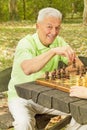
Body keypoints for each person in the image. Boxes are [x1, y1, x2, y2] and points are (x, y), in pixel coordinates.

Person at [8, 7, 75, 130]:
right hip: (21, 98)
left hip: (48, 97)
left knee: (80, 114)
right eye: (49, 27)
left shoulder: (59, 41)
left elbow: (78, 66)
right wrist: (53, 51)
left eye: (57, 27)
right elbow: (28, 69)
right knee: (24, 124)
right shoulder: (26, 43)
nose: (54, 32)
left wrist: (61, 72)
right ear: (37, 26)